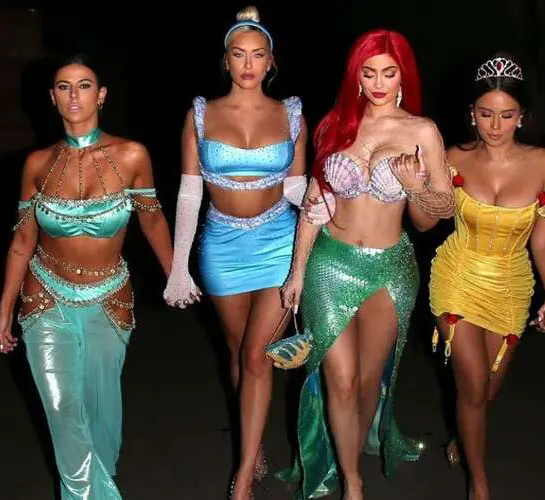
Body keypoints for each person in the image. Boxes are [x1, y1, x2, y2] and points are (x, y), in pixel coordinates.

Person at [277, 28, 456, 500]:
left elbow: (440, 212)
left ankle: (350, 455)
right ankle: (352, 483)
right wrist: (297, 271)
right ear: (355, 77)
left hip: (389, 269)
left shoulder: (422, 131)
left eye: (388, 73)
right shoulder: (336, 125)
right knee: (339, 379)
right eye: (368, 72)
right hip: (330, 263)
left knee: (366, 383)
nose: (378, 83)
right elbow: (315, 201)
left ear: (403, 77)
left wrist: (415, 187)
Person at [0, 54, 173, 499]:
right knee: (62, 411)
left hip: (109, 299)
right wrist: (4, 310)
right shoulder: (36, 164)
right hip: (44, 298)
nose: (74, 95)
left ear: (101, 95)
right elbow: (22, 241)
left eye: (85, 85)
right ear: (52, 98)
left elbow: (152, 222)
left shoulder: (132, 155)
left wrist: (176, 276)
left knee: (101, 416)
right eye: (64, 87)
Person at [162, 5, 308, 498]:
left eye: (258, 54)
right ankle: (254, 440)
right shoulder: (200, 114)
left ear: (271, 61)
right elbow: (189, 193)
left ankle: (242, 477)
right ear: (225, 60)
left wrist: (326, 208)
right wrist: (179, 267)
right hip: (221, 246)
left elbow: (296, 187)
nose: (249, 64)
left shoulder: (291, 113)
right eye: (239, 54)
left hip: (278, 242)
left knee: (257, 355)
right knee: (238, 352)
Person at [429, 54, 545, 500]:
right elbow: (425, 218)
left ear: (522, 116)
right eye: (486, 113)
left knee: (489, 389)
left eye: (506, 115)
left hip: (511, 281)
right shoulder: (451, 158)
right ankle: (479, 482)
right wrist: (417, 186)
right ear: (471, 113)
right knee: (472, 386)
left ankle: (465, 436)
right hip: (458, 272)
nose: (495, 125)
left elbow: (544, 240)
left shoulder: (544, 163)